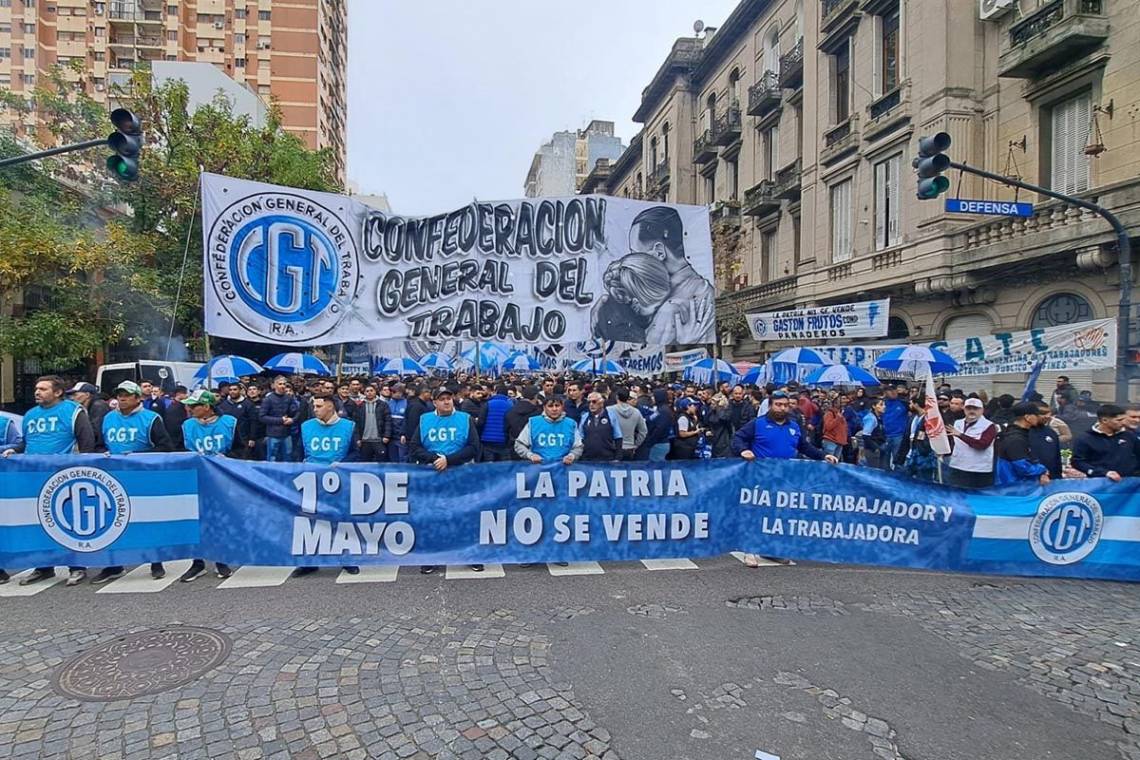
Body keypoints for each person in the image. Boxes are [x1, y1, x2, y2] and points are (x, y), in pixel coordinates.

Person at [2, 375, 96, 587]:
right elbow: (27, 443)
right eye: (36, 388)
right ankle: (43, 567)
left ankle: (77, 566)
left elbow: (86, 440)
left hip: (64, 476)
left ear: (58, 392)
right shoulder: (30, 415)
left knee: (68, 522)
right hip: (34, 477)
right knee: (38, 523)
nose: (37, 392)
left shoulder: (72, 411)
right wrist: (13, 450)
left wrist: (83, 468)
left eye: (43, 389)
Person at [731, 390, 838, 568]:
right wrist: (743, 450)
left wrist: (823, 456)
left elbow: (804, 446)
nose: (781, 408)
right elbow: (738, 438)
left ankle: (771, 550)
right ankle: (749, 550)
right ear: (770, 405)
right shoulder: (757, 424)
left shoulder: (794, 426)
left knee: (778, 515)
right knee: (757, 513)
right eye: (778, 404)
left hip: (785, 478)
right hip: (760, 477)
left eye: (785, 405)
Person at [95, 380, 175, 585]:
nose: (121, 398)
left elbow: (166, 447)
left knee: (147, 520)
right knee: (113, 521)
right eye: (119, 394)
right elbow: (98, 444)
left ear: (138, 398)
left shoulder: (151, 419)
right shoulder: (108, 418)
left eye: (126, 394)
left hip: (143, 477)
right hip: (113, 479)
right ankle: (113, 565)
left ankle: (155, 561)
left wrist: (137, 455)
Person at [409, 387, 482, 573]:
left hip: (460, 473)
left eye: (449, 398)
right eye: (442, 399)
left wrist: (449, 460)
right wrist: (434, 459)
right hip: (433, 473)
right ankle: (433, 556)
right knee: (433, 515)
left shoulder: (464, 419)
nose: (446, 402)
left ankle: (471, 554)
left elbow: (473, 447)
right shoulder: (425, 420)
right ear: (435, 402)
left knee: (465, 514)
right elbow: (415, 446)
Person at [296, 396, 360, 577]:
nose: (314, 409)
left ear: (330, 407)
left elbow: (356, 453)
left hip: (338, 479)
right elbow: (299, 451)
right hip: (311, 478)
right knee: (309, 520)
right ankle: (309, 561)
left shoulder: (348, 426)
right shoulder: (307, 426)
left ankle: (347, 559)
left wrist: (343, 464)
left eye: (319, 406)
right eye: (314, 406)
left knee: (342, 520)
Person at [178, 389, 236, 582]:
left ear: (207, 407)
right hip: (196, 478)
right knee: (195, 519)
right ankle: (197, 562)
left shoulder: (229, 422)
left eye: (195, 406)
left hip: (223, 478)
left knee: (219, 519)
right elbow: (180, 450)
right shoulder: (187, 425)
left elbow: (243, 448)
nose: (190, 409)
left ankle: (221, 559)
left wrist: (228, 459)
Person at [1072, 404, 1140, 481]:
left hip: (1128, 484)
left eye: (1123, 419)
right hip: (1099, 484)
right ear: (1104, 420)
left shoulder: (1129, 436)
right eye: (1119, 420)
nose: (1123, 423)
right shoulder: (1085, 438)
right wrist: (1103, 472)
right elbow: (1078, 462)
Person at [514, 396, 583, 464]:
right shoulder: (533, 422)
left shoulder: (571, 424)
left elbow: (578, 447)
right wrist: (530, 455)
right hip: (539, 469)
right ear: (544, 408)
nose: (554, 409)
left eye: (557, 406)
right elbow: (519, 444)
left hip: (563, 469)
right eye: (550, 406)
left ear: (562, 407)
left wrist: (572, 456)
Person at [994, 402, 1050, 486]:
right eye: (1036, 415)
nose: (1038, 417)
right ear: (1027, 417)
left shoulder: (1019, 434)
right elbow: (1023, 467)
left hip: (1016, 485)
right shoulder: (1015, 439)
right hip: (1014, 487)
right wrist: (1042, 469)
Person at [946, 397, 997, 489]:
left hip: (979, 469)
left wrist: (961, 435)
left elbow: (982, 445)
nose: (972, 411)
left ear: (982, 410)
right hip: (958, 466)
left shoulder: (989, 426)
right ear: (964, 409)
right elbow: (953, 442)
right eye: (969, 408)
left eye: (975, 408)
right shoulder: (958, 423)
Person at [260, 375, 300, 462]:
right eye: (280, 384)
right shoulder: (268, 399)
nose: (282, 386)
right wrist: (280, 420)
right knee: (272, 458)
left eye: (284, 384)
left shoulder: (289, 398)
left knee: (288, 457)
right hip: (273, 434)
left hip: (287, 434)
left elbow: (297, 412)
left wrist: (292, 420)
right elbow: (262, 417)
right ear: (274, 385)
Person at [353, 383, 393, 463]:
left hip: (379, 440)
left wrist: (387, 435)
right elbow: (356, 424)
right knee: (365, 464)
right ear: (364, 393)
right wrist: (357, 439)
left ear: (375, 392)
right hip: (364, 440)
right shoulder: (360, 406)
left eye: (371, 390)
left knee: (381, 463)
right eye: (367, 391)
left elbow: (388, 421)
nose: (369, 393)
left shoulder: (383, 405)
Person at [66, 382, 110, 451]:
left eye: (75, 395)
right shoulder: (87, 407)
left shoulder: (99, 406)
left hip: (99, 451)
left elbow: (95, 432)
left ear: (87, 395)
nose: (72, 398)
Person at [217, 382, 257, 460]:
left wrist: (252, 438)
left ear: (240, 390)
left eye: (235, 389)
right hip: (228, 438)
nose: (232, 391)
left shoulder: (248, 404)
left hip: (244, 439)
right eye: (230, 390)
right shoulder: (223, 405)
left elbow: (253, 421)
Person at [579, 392, 622, 462]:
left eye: (594, 402)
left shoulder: (611, 416)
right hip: (587, 459)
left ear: (601, 403)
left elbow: (618, 437)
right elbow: (580, 438)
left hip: (607, 458)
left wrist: (618, 458)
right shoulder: (584, 417)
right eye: (589, 402)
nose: (591, 405)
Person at [637, 388, 674, 461]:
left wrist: (650, 441)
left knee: (656, 466)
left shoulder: (664, 411)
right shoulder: (660, 409)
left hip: (659, 443)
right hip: (658, 443)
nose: (652, 398)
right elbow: (650, 419)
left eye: (653, 397)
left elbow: (660, 429)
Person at [612, 387, 648, 460]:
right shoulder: (636, 412)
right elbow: (643, 431)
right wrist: (636, 444)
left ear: (617, 397)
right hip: (629, 448)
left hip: (614, 447)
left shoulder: (609, 410)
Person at [1029, 402, 1063, 480]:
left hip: (1051, 479)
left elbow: (1057, 457)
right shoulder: (1023, 433)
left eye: (1049, 413)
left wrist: (1058, 477)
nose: (1047, 416)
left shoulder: (1051, 432)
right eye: (1042, 413)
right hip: (1030, 480)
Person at [505, 385, 542, 456]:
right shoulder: (538, 413)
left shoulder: (511, 411)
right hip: (534, 450)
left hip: (514, 448)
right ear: (535, 396)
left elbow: (506, 429)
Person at [480, 384, 514, 462]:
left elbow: (481, 422)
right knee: (504, 467)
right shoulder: (510, 405)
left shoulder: (488, 404)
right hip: (504, 441)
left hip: (488, 440)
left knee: (489, 465)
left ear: (495, 392)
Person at [881, 386, 908, 470]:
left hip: (899, 436)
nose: (893, 392)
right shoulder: (882, 404)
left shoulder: (903, 403)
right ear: (885, 392)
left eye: (894, 390)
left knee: (898, 460)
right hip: (885, 436)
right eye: (889, 390)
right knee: (884, 461)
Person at [858, 399, 887, 469]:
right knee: (874, 472)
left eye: (884, 404)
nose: (884, 407)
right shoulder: (871, 418)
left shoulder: (879, 418)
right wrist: (876, 448)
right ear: (874, 406)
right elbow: (865, 436)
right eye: (881, 404)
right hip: (872, 450)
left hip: (880, 447)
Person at [387, 383, 409, 463]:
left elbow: (407, 421)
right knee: (392, 459)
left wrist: (404, 434)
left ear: (400, 392)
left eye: (394, 391)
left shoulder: (407, 403)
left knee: (402, 458)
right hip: (390, 437)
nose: (392, 393)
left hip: (401, 437)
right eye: (392, 391)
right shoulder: (389, 402)